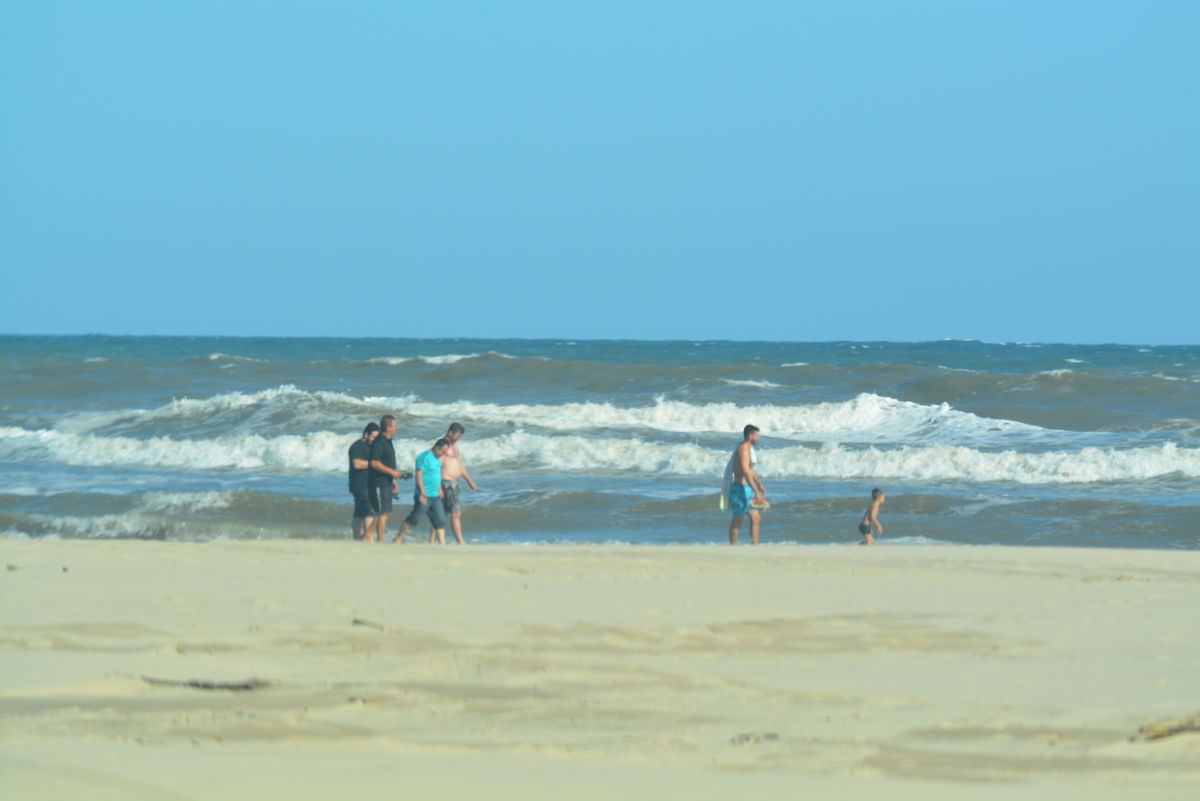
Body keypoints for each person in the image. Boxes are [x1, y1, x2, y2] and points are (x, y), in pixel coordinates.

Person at [394, 438, 451, 544]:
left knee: (440, 520)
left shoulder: (437, 458)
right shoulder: (423, 457)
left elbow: (436, 475)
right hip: (424, 495)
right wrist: (422, 492)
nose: (443, 454)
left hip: (436, 495)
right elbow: (419, 475)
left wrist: (439, 489)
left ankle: (442, 544)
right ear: (437, 447)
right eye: (443, 451)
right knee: (415, 518)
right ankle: (398, 537)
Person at [723, 424, 768, 545]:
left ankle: (754, 545)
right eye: (756, 435)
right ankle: (733, 546)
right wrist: (757, 492)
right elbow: (745, 471)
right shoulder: (743, 449)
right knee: (739, 519)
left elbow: (751, 469)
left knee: (756, 518)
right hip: (740, 489)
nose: (758, 438)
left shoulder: (748, 449)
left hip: (746, 488)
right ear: (750, 436)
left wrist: (759, 484)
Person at [366, 415, 408, 543]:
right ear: (388, 427)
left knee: (385, 512)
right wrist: (393, 472)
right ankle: (380, 540)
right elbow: (375, 463)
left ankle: (367, 536)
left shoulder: (388, 441)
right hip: (378, 482)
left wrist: (393, 480)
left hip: (386, 481)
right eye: (395, 426)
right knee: (382, 513)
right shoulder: (379, 442)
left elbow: (387, 462)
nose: (397, 428)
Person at [434, 422, 477, 544]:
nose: (458, 439)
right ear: (450, 432)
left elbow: (459, 464)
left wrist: (469, 480)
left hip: (454, 483)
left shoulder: (454, 445)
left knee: (441, 513)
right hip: (446, 482)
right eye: (457, 436)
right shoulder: (443, 444)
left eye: (460, 437)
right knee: (456, 512)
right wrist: (438, 486)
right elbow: (435, 465)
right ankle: (460, 541)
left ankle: (432, 540)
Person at [348, 422, 380, 540]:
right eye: (374, 437)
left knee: (359, 513)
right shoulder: (357, 446)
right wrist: (374, 464)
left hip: (369, 484)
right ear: (366, 434)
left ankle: (357, 538)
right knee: (369, 512)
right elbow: (357, 464)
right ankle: (368, 538)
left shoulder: (372, 446)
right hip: (359, 484)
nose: (375, 440)